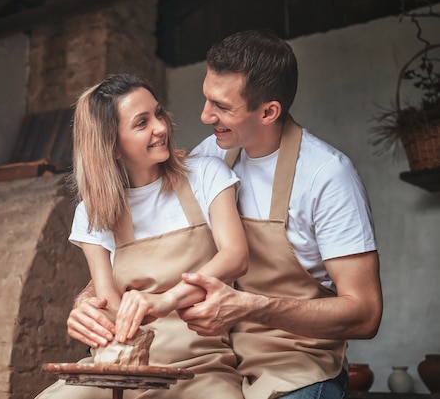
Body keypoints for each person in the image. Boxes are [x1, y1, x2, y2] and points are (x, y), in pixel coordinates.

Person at [66, 30, 383, 399]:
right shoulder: (208, 158)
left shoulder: (326, 176)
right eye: (206, 99)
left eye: (221, 107)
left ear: (268, 112)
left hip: (292, 360)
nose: (203, 116)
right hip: (221, 358)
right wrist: (87, 301)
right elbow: (129, 251)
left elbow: (366, 314)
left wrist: (250, 307)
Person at [35, 73, 248, 399]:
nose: (161, 127)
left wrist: (166, 300)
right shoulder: (94, 212)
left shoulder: (205, 175)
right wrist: (87, 313)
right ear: (113, 146)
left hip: (200, 362)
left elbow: (234, 256)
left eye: (158, 113)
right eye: (141, 123)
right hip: (121, 364)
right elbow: (108, 301)